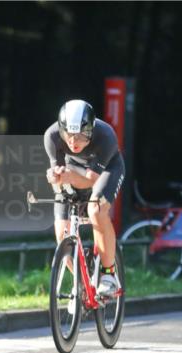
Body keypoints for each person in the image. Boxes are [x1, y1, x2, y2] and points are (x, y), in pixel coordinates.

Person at [44, 99, 125, 296]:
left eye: (80, 136)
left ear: (90, 129)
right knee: (61, 230)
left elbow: (90, 181)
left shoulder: (106, 136)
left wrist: (70, 177)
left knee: (96, 210)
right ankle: (81, 280)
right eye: (69, 135)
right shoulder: (52, 136)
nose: (73, 142)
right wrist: (55, 176)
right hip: (74, 168)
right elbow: (59, 173)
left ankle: (108, 274)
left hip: (107, 170)